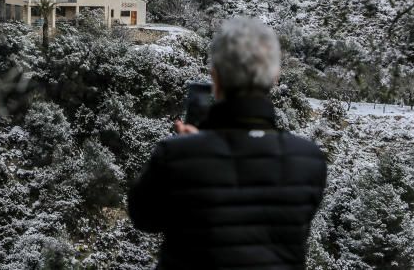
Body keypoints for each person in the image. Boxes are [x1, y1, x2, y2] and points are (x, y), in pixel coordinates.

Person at [128, 16, 327, 269]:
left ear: (215, 77)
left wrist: (190, 153)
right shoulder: (309, 160)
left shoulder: (176, 155)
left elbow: (144, 218)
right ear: (275, 76)